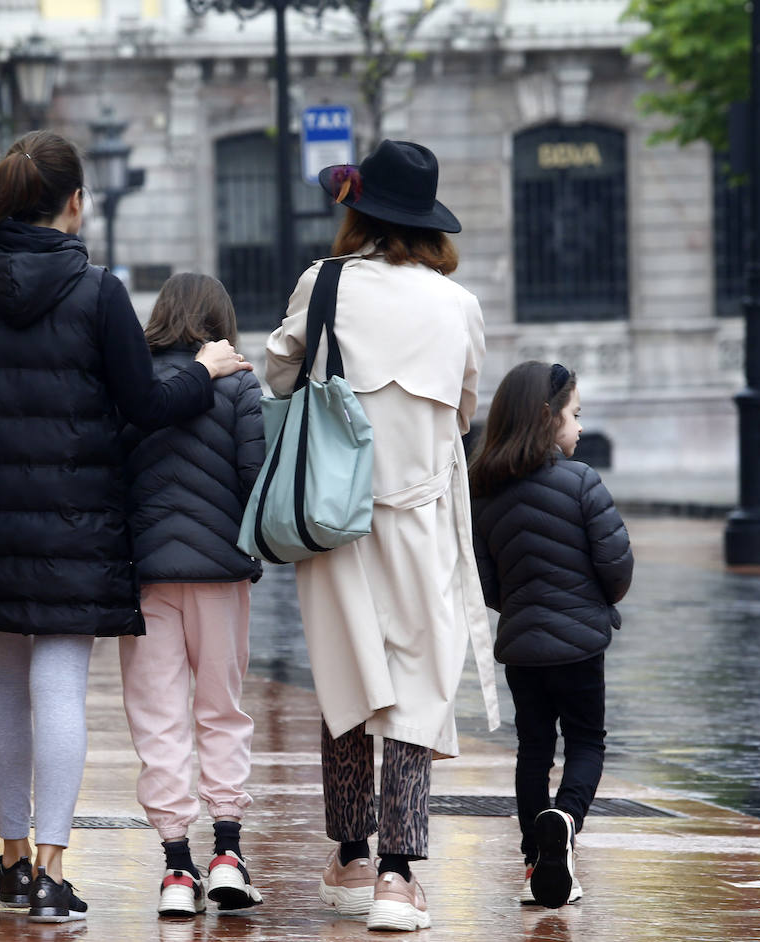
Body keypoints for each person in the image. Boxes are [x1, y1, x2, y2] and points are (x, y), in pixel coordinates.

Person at [0, 131, 252, 924]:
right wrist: (202, 373)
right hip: (75, 524)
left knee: (2, 684)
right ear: (75, 201)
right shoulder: (97, 290)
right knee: (60, 683)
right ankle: (50, 867)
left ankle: (9, 863)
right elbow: (145, 403)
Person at [265, 140, 499, 933]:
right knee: (416, 690)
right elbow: (465, 410)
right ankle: (399, 878)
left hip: (335, 513)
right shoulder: (457, 304)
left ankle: (351, 855)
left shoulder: (323, 283)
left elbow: (278, 372)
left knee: (346, 681)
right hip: (422, 515)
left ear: (358, 211)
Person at [118, 273, 266, 918]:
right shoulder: (237, 383)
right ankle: (227, 854)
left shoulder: (131, 384)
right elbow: (254, 478)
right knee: (221, 711)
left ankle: (177, 868)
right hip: (220, 576)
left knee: (158, 721)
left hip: (145, 575)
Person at [468, 361, 633, 909]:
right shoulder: (582, 481)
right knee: (586, 741)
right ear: (547, 417)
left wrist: (522, 605)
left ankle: (535, 863)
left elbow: (485, 582)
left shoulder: (484, 493)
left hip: (522, 647)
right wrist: (593, 603)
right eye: (575, 414)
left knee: (533, 749)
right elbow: (616, 566)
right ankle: (564, 821)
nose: (580, 427)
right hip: (582, 644)